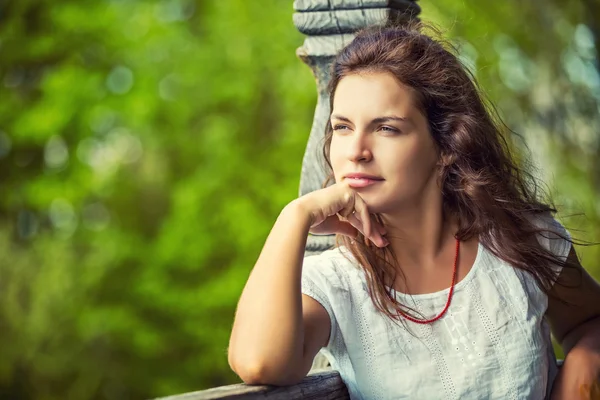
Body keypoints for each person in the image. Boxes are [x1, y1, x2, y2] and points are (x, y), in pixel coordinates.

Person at [227, 23, 600, 399]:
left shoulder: (522, 241)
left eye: (386, 128)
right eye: (342, 127)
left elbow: (590, 322)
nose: (356, 150)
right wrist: (295, 216)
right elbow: (260, 362)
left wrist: (580, 377)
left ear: (446, 146)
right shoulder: (336, 283)